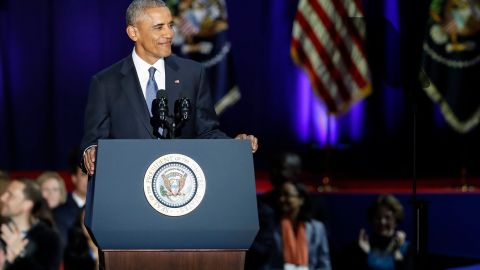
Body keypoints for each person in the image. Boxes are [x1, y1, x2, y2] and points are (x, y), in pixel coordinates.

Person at [80, 0, 258, 176]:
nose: (170, 34)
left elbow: (206, 131)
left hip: (180, 186)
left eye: (170, 25)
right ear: (134, 33)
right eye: (159, 27)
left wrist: (234, 145)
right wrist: (91, 152)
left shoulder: (193, 73)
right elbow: (93, 141)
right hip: (128, 184)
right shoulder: (105, 83)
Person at [265, 181, 331, 270]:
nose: (281, 199)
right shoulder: (272, 226)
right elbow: (266, 262)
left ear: (301, 200)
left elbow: (324, 263)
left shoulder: (317, 228)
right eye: (280, 195)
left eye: (287, 195)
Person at [0, 178, 62, 270]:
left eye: (10, 195)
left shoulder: (49, 237)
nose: (2, 197)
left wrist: (21, 255)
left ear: (27, 205)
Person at [340, 194, 413, 270]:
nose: (382, 222)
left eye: (388, 217)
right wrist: (363, 254)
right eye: (378, 217)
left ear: (396, 220)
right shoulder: (359, 248)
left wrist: (397, 254)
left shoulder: (407, 249)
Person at [54, 152, 89, 247]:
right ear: (74, 178)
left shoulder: (102, 209)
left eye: (92, 174)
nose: (89, 179)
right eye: (83, 174)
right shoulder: (60, 211)